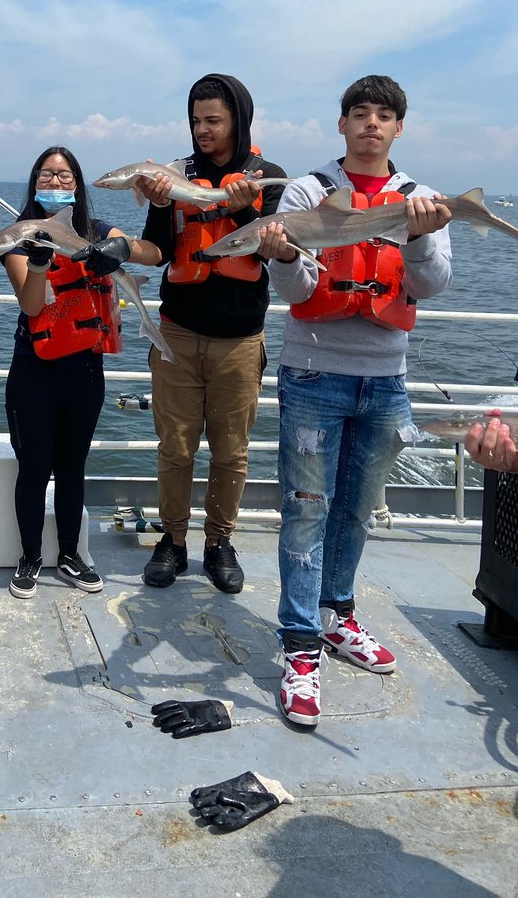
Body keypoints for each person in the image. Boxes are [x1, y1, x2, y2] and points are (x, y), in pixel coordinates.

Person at [259, 74, 452, 726]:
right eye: (360, 113)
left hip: (386, 378)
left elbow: (434, 282)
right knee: (307, 513)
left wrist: (422, 236)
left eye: (383, 115)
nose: (371, 124)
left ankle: (337, 615)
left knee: (356, 513)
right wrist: (283, 256)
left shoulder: (418, 199)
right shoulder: (307, 193)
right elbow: (296, 288)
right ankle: (299, 646)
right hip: (315, 375)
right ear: (341, 124)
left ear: (398, 127)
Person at [135, 74, 287, 593]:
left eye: (213, 121)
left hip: (240, 340)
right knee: (175, 447)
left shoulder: (269, 178)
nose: (202, 130)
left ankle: (219, 542)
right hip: (177, 333)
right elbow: (156, 250)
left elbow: (273, 253)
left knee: (231, 451)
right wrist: (154, 208)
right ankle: (172, 541)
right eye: (196, 120)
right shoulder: (173, 177)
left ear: (238, 120)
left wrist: (244, 205)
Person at [1, 147, 163, 598]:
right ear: (34, 183)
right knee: (33, 469)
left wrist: (122, 247)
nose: (56, 182)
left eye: (65, 175)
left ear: (78, 183)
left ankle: (70, 555)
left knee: (73, 467)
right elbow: (33, 305)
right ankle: (30, 556)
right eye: (47, 175)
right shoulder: (19, 236)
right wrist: (37, 261)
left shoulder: (94, 230)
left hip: (85, 368)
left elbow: (153, 254)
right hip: (34, 368)